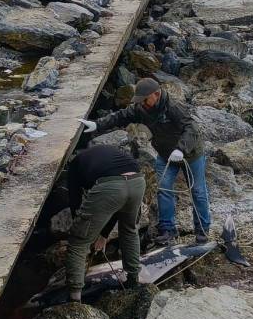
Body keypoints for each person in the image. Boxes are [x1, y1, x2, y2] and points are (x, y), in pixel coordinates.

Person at [79, 77, 211, 245]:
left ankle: (202, 232)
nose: (142, 104)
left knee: (198, 191)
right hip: (165, 155)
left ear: (156, 94)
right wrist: (98, 125)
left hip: (191, 154)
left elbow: (192, 127)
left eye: (145, 100)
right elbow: (122, 116)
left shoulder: (173, 107)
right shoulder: (142, 108)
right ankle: (167, 230)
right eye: (139, 101)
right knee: (163, 189)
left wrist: (181, 149)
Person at [64, 144, 145, 303]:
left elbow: (75, 203)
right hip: (137, 182)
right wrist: (102, 235)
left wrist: (84, 230)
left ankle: (74, 300)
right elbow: (116, 207)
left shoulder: (74, 167)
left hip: (111, 186)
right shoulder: (106, 153)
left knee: (78, 242)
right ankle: (133, 280)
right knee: (129, 230)